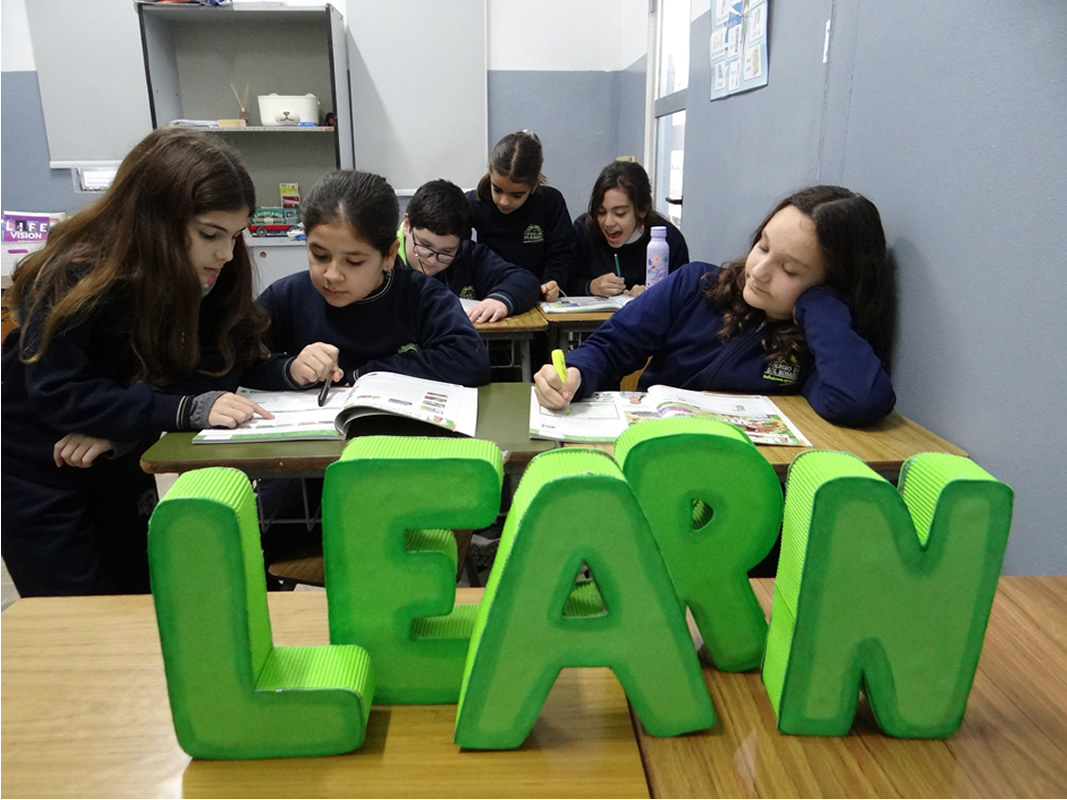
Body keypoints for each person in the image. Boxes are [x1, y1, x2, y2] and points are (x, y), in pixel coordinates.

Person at [1, 127, 273, 597]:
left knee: (139, 602)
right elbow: (61, 395)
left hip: (119, 462)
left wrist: (122, 426)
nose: (226, 253)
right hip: (42, 471)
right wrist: (172, 410)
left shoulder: (210, 270)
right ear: (153, 220)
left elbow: (224, 364)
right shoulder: (72, 274)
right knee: (73, 617)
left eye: (235, 235)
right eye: (210, 234)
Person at [535, 185, 896, 428]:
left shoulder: (819, 341)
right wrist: (576, 372)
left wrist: (820, 306)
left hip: (745, 484)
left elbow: (858, 401)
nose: (759, 271)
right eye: (763, 246)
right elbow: (611, 346)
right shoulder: (696, 285)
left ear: (832, 284)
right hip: (656, 455)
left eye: (789, 269)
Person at [246, 171, 490, 390]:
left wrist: (370, 373)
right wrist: (289, 370)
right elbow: (238, 364)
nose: (332, 275)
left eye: (353, 262)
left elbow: (471, 361)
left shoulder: (422, 297)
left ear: (389, 255)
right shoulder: (286, 297)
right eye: (319, 255)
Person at [397, 179, 541, 323]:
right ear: (407, 225)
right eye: (424, 246)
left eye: (446, 252)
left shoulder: (467, 254)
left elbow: (525, 281)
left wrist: (500, 300)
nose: (432, 260)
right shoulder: (387, 259)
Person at [466, 130, 577, 302]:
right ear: (490, 174)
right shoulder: (473, 203)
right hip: (490, 297)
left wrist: (553, 281)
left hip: (537, 297)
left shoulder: (551, 202)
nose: (504, 201)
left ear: (535, 185)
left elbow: (562, 253)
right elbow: (457, 250)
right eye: (497, 189)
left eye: (517, 195)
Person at [571, 161, 689, 298]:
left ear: (641, 210)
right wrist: (591, 286)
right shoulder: (584, 230)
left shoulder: (667, 240)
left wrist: (654, 295)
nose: (608, 223)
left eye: (620, 213)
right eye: (601, 212)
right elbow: (566, 282)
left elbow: (683, 294)